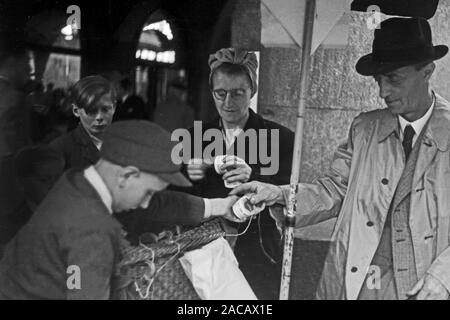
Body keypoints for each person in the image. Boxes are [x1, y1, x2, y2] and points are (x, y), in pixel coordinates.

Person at [232, 17, 450, 300]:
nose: (383, 92)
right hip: (362, 282)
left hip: (430, 286)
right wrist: (278, 195)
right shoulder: (365, 129)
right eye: (378, 80)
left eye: (394, 79)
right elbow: (334, 191)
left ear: (427, 71)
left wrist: (444, 275)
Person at [0, 120, 239, 299]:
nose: (147, 203)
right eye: (148, 192)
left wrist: (218, 206)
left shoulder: (78, 182)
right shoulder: (90, 230)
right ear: (127, 175)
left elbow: (157, 206)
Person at [48, 75, 236, 237]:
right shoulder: (59, 151)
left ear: (114, 107)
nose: (99, 117)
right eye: (90, 110)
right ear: (75, 110)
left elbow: (154, 199)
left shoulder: (129, 143)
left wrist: (217, 205)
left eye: (105, 109)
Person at [181, 48, 294, 299]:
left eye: (237, 93)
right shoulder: (192, 137)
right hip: (203, 252)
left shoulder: (280, 138)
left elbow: (293, 195)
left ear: (252, 91)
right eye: (220, 94)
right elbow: (174, 196)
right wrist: (189, 173)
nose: (228, 103)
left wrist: (254, 175)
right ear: (212, 93)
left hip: (258, 253)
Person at [0, 145, 65, 257]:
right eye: (44, 180)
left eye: (59, 178)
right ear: (22, 183)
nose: (55, 185)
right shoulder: (9, 228)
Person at [0, 36, 32, 222]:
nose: (29, 69)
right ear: (12, 61)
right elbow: (19, 145)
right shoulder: (15, 98)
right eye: (26, 62)